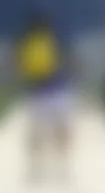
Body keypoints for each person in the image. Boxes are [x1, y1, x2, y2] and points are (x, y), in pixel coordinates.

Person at [18, 11, 73, 181]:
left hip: (49, 90)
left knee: (53, 132)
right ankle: (40, 169)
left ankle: (56, 168)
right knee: (41, 133)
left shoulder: (48, 42)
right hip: (45, 90)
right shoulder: (35, 44)